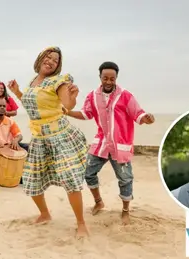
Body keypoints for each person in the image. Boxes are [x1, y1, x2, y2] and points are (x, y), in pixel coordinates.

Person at [6, 46, 89, 238]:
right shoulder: (33, 82)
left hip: (60, 136)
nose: (50, 61)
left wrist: (73, 99)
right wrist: (18, 92)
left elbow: (66, 105)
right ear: (40, 58)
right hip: (39, 138)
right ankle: (44, 214)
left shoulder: (58, 81)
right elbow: (31, 105)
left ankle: (81, 223)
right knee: (32, 180)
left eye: (55, 60)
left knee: (70, 179)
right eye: (48, 57)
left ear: (58, 66)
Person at [65, 61, 155, 224]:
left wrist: (146, 119)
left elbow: (138, 114)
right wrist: (68, 112)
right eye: (105, 78)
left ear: (116, 78)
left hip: (120, 146)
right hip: (101, 144)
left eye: (112, 79)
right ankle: (99, 202)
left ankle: (126, 211)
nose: (108, 82)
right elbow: (86, 114)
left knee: (125, 179)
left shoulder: (126, 96)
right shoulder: (92, 96)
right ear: (100, 77)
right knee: (88, 173)